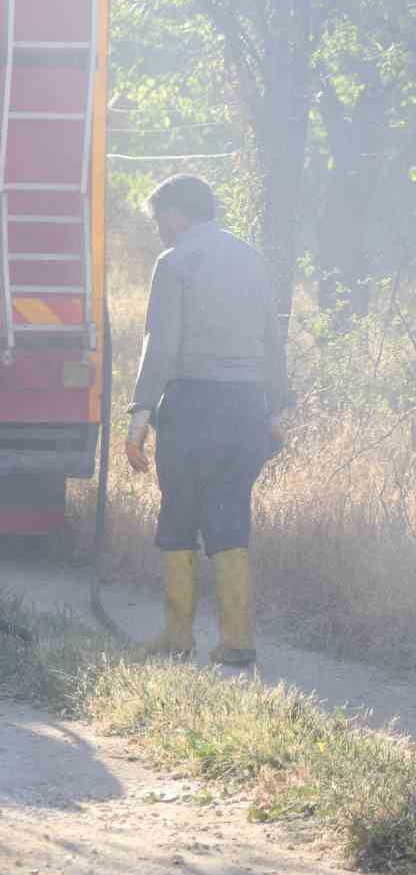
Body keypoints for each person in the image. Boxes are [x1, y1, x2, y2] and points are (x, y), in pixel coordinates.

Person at [125, 174, 291, 667]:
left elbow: (160, 344)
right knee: (230, 516)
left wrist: (139, 414)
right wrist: (273, 409)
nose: (159, 230)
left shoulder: (175, 261)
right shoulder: (251, 258)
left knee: (179, 514)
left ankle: (178, 635)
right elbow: (271, 338)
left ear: (175, 214)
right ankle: (237, 640)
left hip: (193, 406)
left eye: (158, 220)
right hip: (245, 410)